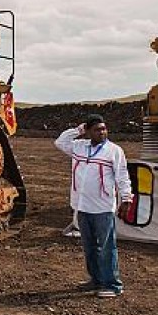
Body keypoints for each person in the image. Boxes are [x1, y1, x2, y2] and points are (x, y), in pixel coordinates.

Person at [54, 114, 133, 298]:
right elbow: (60, 141)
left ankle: (113, 285)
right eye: (97, 130)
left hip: (103, 207)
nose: (102, 132)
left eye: (104, 129)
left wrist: (126, 199)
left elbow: (122, 176)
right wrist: (78, 130)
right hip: (82, 206)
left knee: (106, 247)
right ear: (88, 132)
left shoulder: (114, 151)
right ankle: (96, 280)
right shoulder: (79, 147)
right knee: (89, 246)